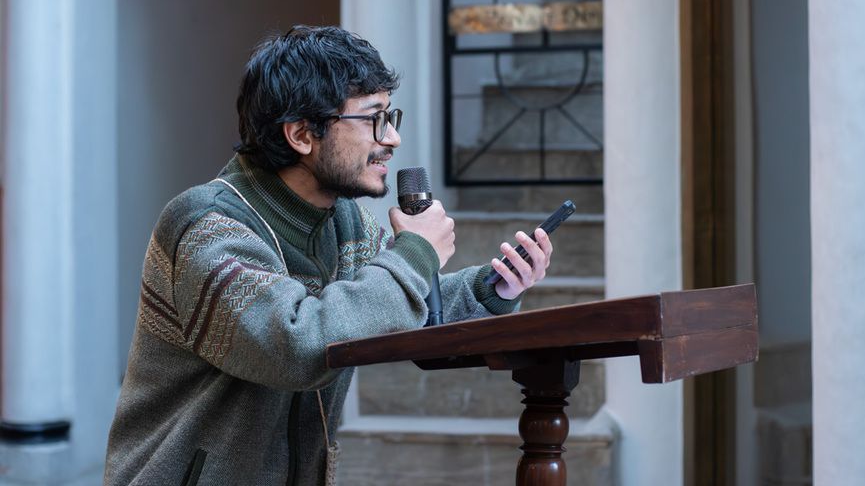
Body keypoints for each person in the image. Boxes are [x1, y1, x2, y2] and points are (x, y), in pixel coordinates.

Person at [103, 25, 554, 486]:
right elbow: (294, 349)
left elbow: (391, 308)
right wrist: (416, 252)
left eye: (391, 116)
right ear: (302, 134)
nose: (393, 139)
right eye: (374, 118)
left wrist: (491, 287)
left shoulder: (345, 221)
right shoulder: (207, 225)